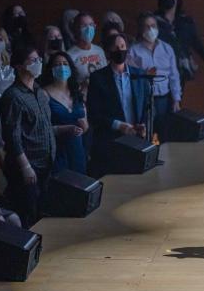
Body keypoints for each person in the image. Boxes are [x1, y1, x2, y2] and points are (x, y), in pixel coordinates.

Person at [0, 44, 55, 227]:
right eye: (32, 60)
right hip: (27, 166)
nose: (38, 63)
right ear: (19, 66)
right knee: (28, 214)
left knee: (43, 212)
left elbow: (44, 126)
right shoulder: (13, 96)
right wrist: (25, 166)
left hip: (46, 162)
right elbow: (12, 135)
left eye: (39, 59)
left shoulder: (39, 92)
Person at [86, 33, 152, 177]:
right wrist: (119, 125)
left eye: (122, 46)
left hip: (136, 139)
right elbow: (94, 114)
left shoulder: (139, 75)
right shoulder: (98, 78)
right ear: (109, 52)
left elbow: (147, 106)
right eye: (115, 48)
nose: (120, 50)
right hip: (111, 141)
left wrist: (143, 125)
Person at [127, 12, 182, 140]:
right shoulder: (133, 51)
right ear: (141, 29)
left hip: (163, 98)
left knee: (162, 131)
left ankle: (160, 154)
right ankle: (149, 155)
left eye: (153, 26)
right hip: (145, 99)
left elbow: (174, 75)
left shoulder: (167, 48)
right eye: (147, 26)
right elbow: (131, 76)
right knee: (146, 131)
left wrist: (176, 99)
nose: (151, 29)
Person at [155, 0, 204, 81]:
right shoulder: (153, 21)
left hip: (181, 67)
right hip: (162, 66)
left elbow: (197, 44)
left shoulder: (186, 22)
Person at [40, 52, 88, 174]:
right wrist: (64, 129)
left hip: (78, 152)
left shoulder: (76, 91)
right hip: (57, 153)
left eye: (65, 64)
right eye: (57, 64)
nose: (62, 67)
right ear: (51, 69)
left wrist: (84, 126)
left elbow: (85, 125)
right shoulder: (44, 94)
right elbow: (41, 129)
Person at [66, 11, 107, 88]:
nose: (88, 28)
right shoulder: (69, 55)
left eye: (91, 25)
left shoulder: (99, 50)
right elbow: (68, 84)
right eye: (84, 26)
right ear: (76, 29)